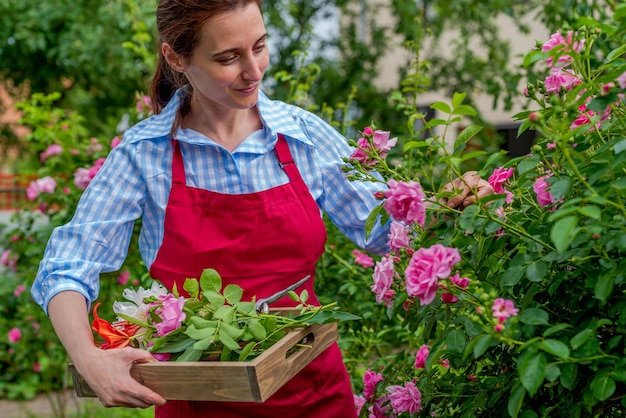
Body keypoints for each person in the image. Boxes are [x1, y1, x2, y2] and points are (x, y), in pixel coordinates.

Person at [31, 1, 493, 417]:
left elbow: (382, 231)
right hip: (199, 397)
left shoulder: (301, 136)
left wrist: (450, 205)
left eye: (260, 46)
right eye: (228, 58)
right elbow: (69, 266)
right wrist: (90, 359)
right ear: (177, 58)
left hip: (314, 392)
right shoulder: (144, 155)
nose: (254, 71)